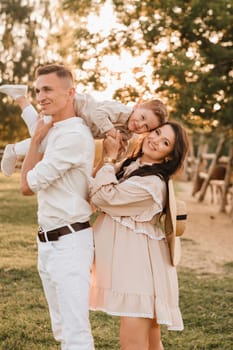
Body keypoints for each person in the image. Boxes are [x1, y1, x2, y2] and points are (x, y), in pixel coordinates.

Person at [89, 121, 189, 350]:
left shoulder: (152, 184)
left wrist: (108, 159)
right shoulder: (131, 164)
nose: (155, 140)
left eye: (165, 143)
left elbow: (104, 197)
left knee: (133, 344)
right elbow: (94, 186)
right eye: (156, 133)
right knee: (152, 343)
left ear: (168, 157)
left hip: (140, 271)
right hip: (132, 266)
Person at [20, 64, 95, 350]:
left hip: (70, 242)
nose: (41, 96)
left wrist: (36, 138)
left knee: (75, 333)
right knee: (63, 328)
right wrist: (39, 136)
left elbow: (26, 186)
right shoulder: (57, 130)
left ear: (70, 93)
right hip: (48, 239)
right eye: (38, 90)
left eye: (48, 89)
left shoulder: (72, 136)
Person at [0, 83, 168, 176]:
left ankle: (20, 97)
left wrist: (120, 151)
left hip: (75, 120)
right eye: (143, 117)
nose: (140, 124)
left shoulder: (128, 132)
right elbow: (97, 113)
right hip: (72, 105)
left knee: (39, 132)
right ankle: (13, 150)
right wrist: (110, 132)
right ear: (137, 106)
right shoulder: (121, 110)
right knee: (44, 139)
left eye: (146, 127)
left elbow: (118, 149)